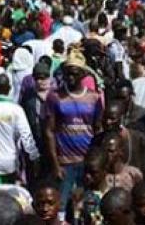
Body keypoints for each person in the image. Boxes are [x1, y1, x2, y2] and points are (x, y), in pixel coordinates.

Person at [44, 50, 103, 218]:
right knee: (61, 206)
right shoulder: (54, 97)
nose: (70, 77)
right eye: (67, 73)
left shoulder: (94, 98)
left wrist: (97, 162)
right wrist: (55, 164)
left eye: (74, 73)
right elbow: (49, 130)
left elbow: (97, 129)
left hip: (87, 163)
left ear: (83, 74)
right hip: (64, 162)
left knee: (86, 206)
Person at [0, 74, 40, 186]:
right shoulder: (16, 110)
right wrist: (34, 156)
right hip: (9, 160)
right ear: (9, 88)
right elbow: (26, 135)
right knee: (8, 197)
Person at [93, 101, 145, 181]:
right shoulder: (97, 141)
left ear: (121, 118)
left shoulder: (138, 139)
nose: (108, 122)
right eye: (105, 118)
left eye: (112, 118)